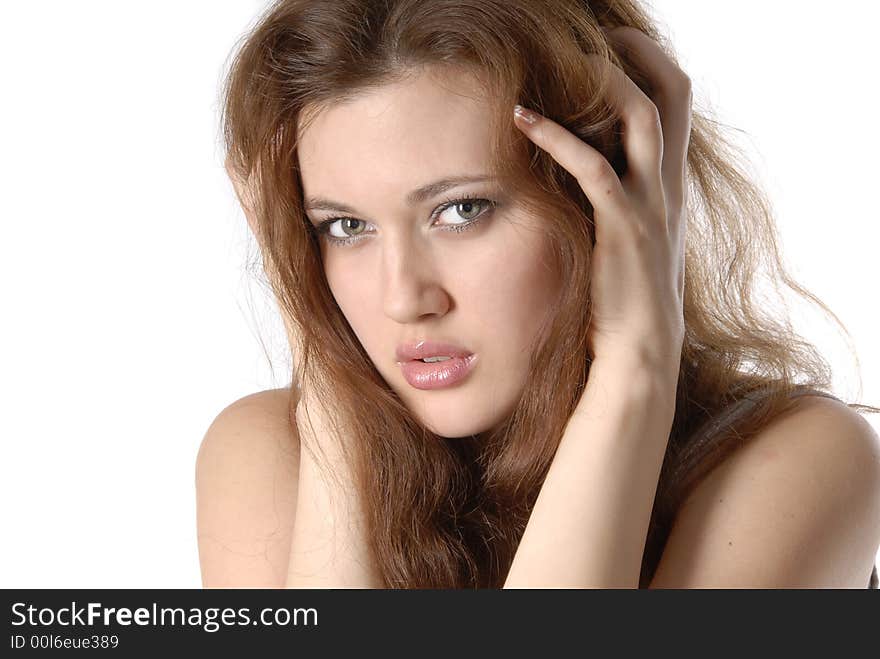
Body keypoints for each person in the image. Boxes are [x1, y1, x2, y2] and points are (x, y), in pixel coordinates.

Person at [196, 0, 880, 588]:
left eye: (462, 210)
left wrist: (632, 375)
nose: (405, 298)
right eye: (346, 226)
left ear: (603, 200)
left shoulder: (804, 464)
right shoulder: (269, 452)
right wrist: (328, 388)